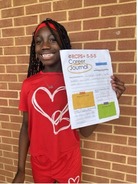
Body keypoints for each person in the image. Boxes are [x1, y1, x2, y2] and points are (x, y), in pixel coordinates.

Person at [12, 18, 126, 183]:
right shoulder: (29, 84)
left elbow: (86, 131)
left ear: (63, 44)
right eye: (39, 41)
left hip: (69, 161)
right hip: (40, 161)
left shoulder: (77, 82)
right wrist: (21, 169)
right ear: (34, 48)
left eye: (53, 40)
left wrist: (111, 99)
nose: (45, 46)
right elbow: (25, 125)